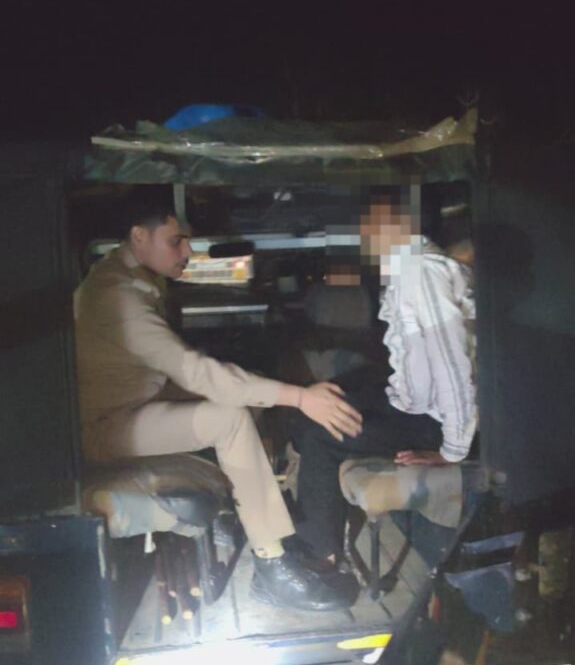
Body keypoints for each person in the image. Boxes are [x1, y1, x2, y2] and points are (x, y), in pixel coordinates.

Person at [74, 186, 362, 611]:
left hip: (128, 411)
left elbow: (153, 376)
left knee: (241, 407)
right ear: (139, 237)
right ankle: (272, 565)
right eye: (176, 241)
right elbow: (193, 371)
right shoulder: (117, 296)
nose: (188, 251)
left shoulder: (132, 279)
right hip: (105, 429)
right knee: (230, 418)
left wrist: (262, 393)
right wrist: (300, 397)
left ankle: (265, 531)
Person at [293, 187, 477, 563]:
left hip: (430, 421)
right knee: (315, 409)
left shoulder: (421, 273)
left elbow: (452, 365)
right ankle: (317, 524)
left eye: (371, 223)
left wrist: (453, 450)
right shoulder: (409, 269)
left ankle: (319, 560)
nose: (363, 233)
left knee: (319, 437)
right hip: (411, 404)